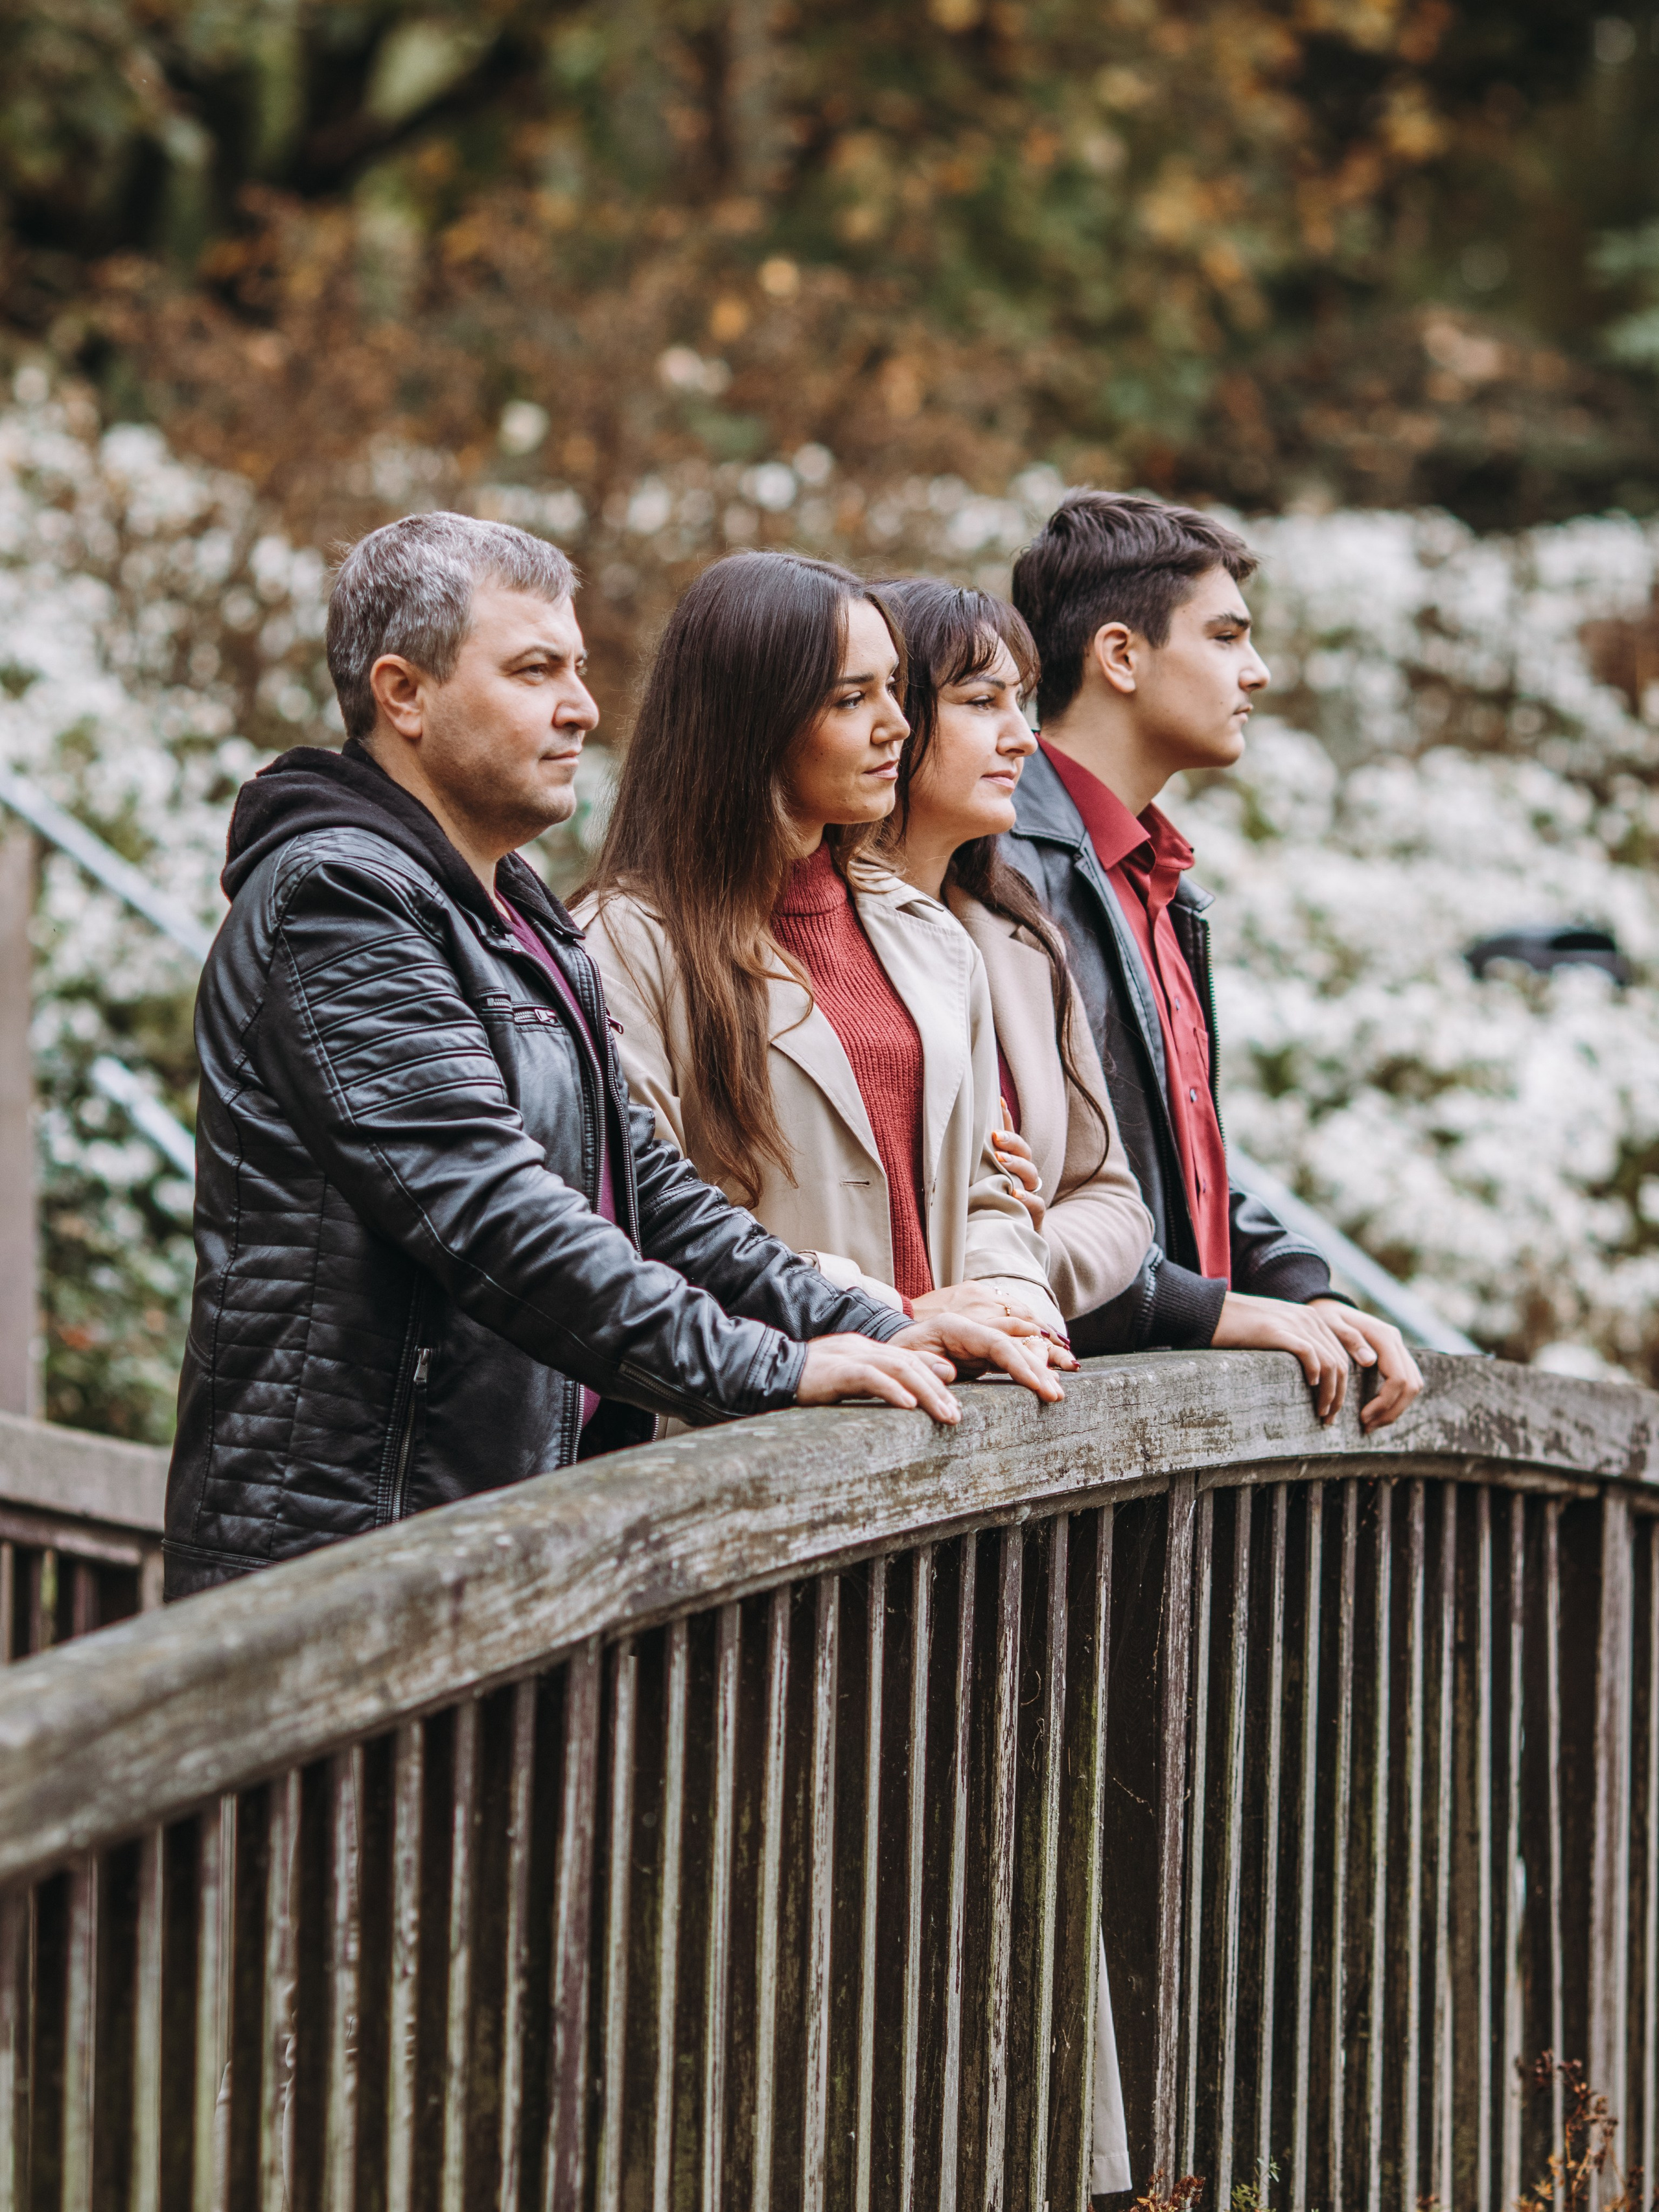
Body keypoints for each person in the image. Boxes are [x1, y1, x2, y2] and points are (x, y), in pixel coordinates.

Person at [163, 515, 1063, 1598]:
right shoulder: (340, 901)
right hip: (355, 1552)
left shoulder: (516, 916)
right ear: (403, 693)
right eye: (535, 670)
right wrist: (773, 1365)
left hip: (502, 1533)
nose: (584, 707)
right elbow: (500, 1218)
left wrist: (875, 1320)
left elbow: (652, 1195)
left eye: (581, 669)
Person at [576, 550, 1071, 1342]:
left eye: (894, 688)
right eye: (853, 698)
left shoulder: (930, 937)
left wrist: (1011, 1301)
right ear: (753, 721)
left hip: (949, 1419)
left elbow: (990, 1186)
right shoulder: (626, 943)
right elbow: (637, 1218)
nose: (898, 724)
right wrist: (892, 1313)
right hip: (761, 1426)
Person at [1006, 491, 1422, 1429]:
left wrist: (1309, 1291)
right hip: (1062, 1432)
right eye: (1227, 636)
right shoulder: (1004, 870)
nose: (1258, 671)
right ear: (1120, 655)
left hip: (1155, 1425)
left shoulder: (1161, 884)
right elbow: (1018, 1195)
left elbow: (1184, 1161)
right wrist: (1212, 1311)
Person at [874, 576, 1154, 1327]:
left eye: (1020, 701)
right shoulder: (800, 934)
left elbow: (1112, 1197)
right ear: (885, 717)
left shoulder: (1024, 938)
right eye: (979, 701)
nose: (1023, 736)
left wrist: (1018, 1256)